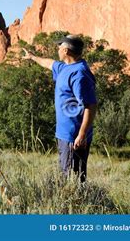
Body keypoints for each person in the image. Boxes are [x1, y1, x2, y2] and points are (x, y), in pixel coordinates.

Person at [22, 35, 97, 182]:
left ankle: (75, 204)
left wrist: (82, 134)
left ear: (67, 51)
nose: (58, 48)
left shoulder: (79, 74)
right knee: (68, 173)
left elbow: (91, 106)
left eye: (60, 46)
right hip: (65, 134)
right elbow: (49, 63)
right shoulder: (65, 67)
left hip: (73, 136)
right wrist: (32, 57)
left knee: (72, 178)